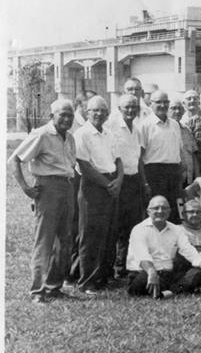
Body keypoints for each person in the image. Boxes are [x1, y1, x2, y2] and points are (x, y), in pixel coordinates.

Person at [8, 99, 78, 304]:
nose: (66, 119)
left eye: (70, 115)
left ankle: (54, 286)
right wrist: (26, 188)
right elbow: (14, 159)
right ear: (51, 116)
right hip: (48, 189)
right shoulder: (41, 134)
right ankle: (37, 290)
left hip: (67, 187)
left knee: (65, 240)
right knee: (45, 240)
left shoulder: (70, 138)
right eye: (62, 115)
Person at [73, 96, 125, 294]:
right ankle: (88, 281)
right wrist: (108, 185)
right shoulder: (82, 134)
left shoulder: (109, 133)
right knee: (91, 235)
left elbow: (118, 160)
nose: (99, 114)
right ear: (87, 112)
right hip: (93, 187)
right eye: (95, 110)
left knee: (109, 232)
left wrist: (119, 181)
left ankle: (104, 277)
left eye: (103, 110)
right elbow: (84, 166)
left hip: (112, 184)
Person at [126, 196, 201, 298]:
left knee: (198, 272)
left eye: (164, 208)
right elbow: (142, 256)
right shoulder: (139, 229)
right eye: (156, 208)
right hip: (144, 273)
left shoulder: (176, 230)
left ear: (169, 211)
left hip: (168, 275)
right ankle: (175, 290)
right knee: (143, 279)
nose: (160, 211)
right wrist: (151, 272)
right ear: (148, 211)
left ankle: (166, 292)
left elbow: (190, 251)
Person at [108, 94, 150, 278]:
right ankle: (113, 267)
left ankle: (124, 266)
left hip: (134, 182)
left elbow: (139, 159)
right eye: (127, 107)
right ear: (119, 109)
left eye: (134, 107)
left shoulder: (138, 129)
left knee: (132, 225)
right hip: (118, 181)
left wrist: (144, 182)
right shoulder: (111, 127)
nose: (131, 110)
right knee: (115, 225)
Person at [139, 91, 185, 223]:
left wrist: (180, 174)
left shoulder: (175, 125)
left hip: (174, 173)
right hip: (154, 174)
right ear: (151, 104)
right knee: (156, 211)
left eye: (165, 102)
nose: (162, 105)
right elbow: (140, 158)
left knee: (175, 211)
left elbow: (178, 152)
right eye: (158, 102)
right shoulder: (145, 125)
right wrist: (145, 183)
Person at [169, 96, 200, 186]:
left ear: (183, 111)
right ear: (167, 110)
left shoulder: (186, 129)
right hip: (173, 179)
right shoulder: (164, 130)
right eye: (173, 108)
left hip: (188, 178)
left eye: (179, 109)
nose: (177, 111)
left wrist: (197, 175)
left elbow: (193, 154)